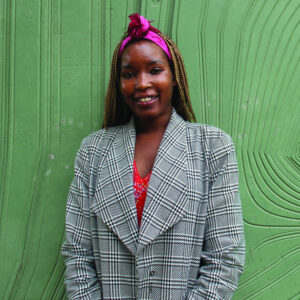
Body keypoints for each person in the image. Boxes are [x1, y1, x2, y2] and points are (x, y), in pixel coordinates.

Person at [61, 13, 245, 300]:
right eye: (129, 74)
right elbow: (77, 255)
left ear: (174, 77)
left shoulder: (212, 147)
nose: (141, 83)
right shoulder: (94, 151)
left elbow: (226, 258)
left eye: (155, 70)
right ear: (118, 83)